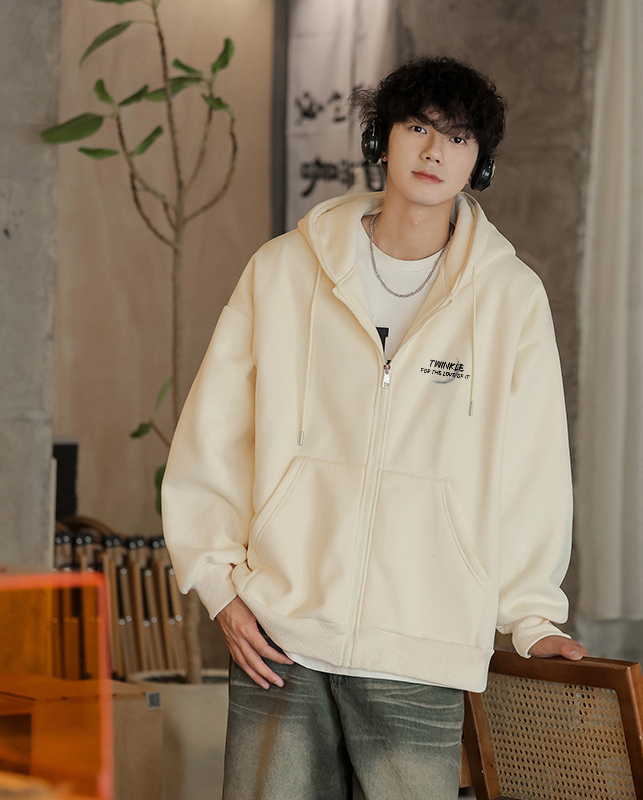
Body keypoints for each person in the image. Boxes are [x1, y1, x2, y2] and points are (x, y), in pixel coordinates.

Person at [162, 55, 589, 800]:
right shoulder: (283, 270)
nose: (434, 150)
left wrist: (532, 616)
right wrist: (220, 587)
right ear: (380, 139)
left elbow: (533, 468)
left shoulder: (511, 298)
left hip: (421, 650)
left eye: (458, 138)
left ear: (480, 164)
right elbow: (215, 433)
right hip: (280, 640)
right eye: (418, 127)